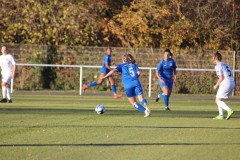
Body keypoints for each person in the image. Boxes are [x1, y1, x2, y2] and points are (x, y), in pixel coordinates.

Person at [212, 51, 235, 120]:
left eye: (212, 57)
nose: (212, 59)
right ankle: (221, 115)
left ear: (215, 58)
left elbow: (221, 78)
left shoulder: (218, 66)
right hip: (232, 82)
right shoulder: (225, 64)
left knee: (217, 100)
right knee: (219, 99)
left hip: (226, 83)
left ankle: (229, 110)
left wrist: (216, 85)